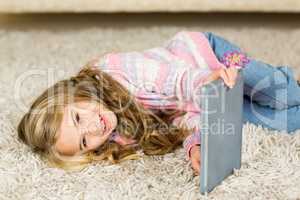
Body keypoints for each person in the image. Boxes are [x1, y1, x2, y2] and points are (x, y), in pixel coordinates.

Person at [17, 31, 300, 175]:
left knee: (277, 91)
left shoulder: (116, 69)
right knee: (287, 121)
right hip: (201, 103)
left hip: (205, 61)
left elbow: (175, 80)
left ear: (75, 94)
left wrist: (207, 83)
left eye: (78, 118)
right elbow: (178, 121)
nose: (93, 128)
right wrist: (196, 145)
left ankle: (289, 81)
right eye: (83, 142)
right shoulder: (119, 136)